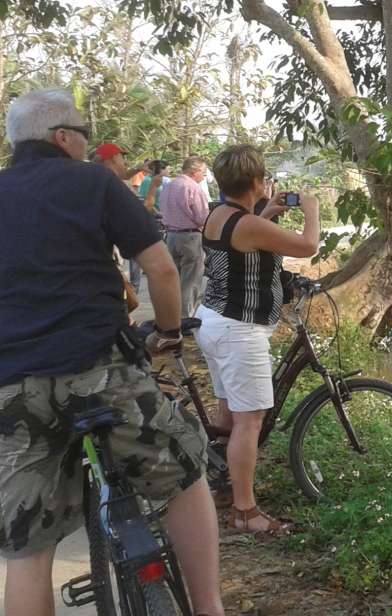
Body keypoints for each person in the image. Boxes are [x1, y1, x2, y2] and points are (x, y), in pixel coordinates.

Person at [0, 88, 224, 616]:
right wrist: (168, 332)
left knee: (28, 549)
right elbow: (162, 270)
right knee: (185, 470)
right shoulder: (94, 182)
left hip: (14, 387)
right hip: (99, 370)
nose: (88, 144)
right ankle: (210, 607)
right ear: (62, 138)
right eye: (83, 134)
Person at [193, 145, 320, 535]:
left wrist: (266, 213)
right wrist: (311, 209)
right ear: (256, 181)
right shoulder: (249, 224)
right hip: (238, 329)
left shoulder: (221, 214)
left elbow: (243, 240)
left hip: (213, 320)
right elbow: (308, 246)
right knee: (250, 421)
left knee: (230, 411)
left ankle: (220, 487)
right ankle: (246, 512)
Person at [93, 143, 153, 292]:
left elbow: (124, 174)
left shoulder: (94, 177)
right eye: (121, 157)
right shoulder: (112, 185)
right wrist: (153, 188)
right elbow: (141, 213)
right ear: (113, 158)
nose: (124, 162)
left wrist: (139, 168)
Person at [158, 156, 210, 316]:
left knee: (174, 280)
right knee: (191, 281)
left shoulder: (169, 186)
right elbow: (202, 217)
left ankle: (171, 314)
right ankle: (185, 317)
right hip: (190, 237)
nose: (204, 176)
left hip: (171, 236)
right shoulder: (193, 188)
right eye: (204, 173)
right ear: (195, 172)